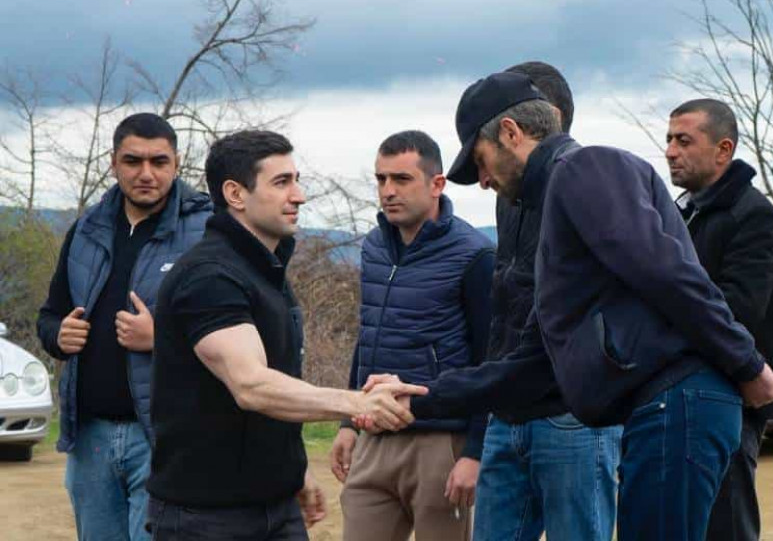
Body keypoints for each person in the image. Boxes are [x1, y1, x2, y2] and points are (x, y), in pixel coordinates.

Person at [363, 65, 622, 541]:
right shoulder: (509, 194)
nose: (483, 179)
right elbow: (503, 312)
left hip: (572, 415)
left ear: (535, 121)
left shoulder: (588, 188)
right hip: (507, 411)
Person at [146, 129, 427, 540]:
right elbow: (251, 385)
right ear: (235, 194)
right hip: (206, 519)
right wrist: (357, 402)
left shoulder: (264, 268)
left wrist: (292, 468)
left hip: (276, 506)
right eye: (281, 183)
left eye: (296, 180)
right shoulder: (209, 276)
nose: (299, 196)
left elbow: (276, 382)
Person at [36, 113, 213, 541]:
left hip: (167, 438)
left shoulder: (208, 231)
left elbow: (243, 330)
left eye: (159, 161)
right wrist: (58, 335)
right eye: (133, 161)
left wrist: (161, 339)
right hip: (90, 439)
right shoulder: (86, 229)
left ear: (177, 164)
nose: (146, 173)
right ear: (113, 163)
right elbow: (50, 315)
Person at [329, 130, 494, 541]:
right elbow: (369, 333)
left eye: (401, 179)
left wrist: (474, 452)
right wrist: (349, 421)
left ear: (437, 184)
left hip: (441, 441)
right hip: (375, 434)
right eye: (381, 179)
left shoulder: (474, 255)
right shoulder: (373, 247)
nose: (388, 191)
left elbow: (490, 361)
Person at [666, 98, 773, 541]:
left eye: (684, 140)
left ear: (723, 149)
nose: (671, 151)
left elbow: (740, 311)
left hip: (730, 395)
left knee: (725, 524)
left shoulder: (753, 214)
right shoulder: (679, 213)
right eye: (669, 140)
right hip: (678, 392)